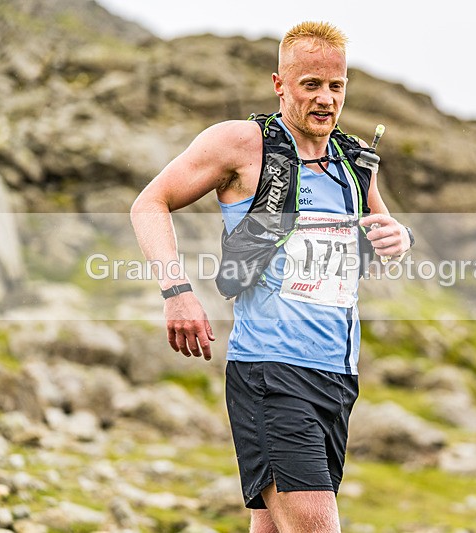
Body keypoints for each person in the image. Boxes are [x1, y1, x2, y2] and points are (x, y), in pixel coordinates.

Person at [131, 21, 413, 533]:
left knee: (273, 527)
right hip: (272, 371)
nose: (326, 99)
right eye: (311, 84)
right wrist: (176, 292)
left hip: (336, 376)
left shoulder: (353, 162)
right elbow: (149, 203)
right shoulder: (242, 143)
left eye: (336, 86)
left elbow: (385, 233)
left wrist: (401, 238)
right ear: (280, 84)